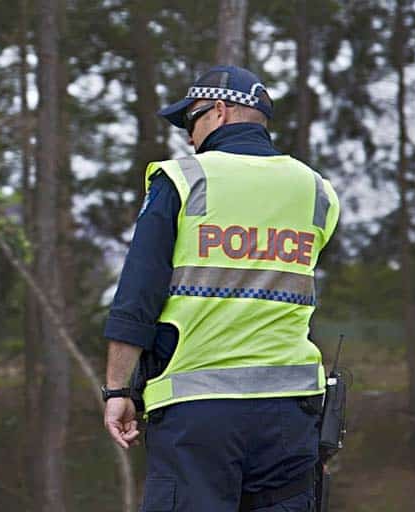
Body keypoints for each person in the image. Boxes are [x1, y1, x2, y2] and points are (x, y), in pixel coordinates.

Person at [101, 65, 340, 511]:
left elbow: (137, 296)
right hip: (291, 411)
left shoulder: (181, 180)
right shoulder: (317, 191)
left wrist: (118, 391)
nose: (189, 137)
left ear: (221, 111)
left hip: (198, 410)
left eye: (191, 120)